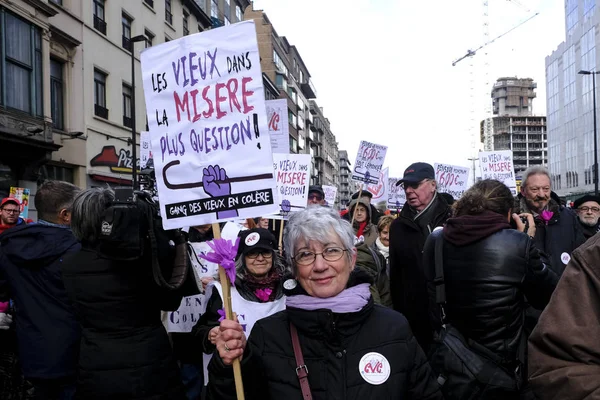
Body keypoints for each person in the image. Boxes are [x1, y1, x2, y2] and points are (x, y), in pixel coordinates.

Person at [206, 206, 443, 400]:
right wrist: (227, 369)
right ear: (294, 267)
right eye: (306, 254)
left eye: (331, 250)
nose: (320, 266)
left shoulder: (394, 329)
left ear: (351, 260)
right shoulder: (268, 336)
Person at [423, 179, 558, 399]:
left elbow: (431, 300)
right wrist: (527, 240)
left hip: (451, 363)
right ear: (508, 213)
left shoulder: (436, 240)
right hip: (500, 369)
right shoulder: (517, 243)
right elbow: (548, 295)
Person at [61, 187, 186, 400]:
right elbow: (171, 301)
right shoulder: (142, 261)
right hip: (151, 365)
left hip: (96, 363)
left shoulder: (69, 264)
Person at [0, 180, 81, 399]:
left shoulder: (10, 246)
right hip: (75, 353)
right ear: (65, 215)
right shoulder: (79, 249)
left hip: (33, 352)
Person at [193, 228, 287, 357]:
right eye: (252, 253)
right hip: (241, 368)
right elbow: (200, 331)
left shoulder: (287, 287)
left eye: (265, 252)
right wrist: (211, 334)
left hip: (282, 367)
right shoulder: (225, 291)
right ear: (242, 258)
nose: (260, 258)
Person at [528, 233, 600, 399]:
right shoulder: (592, 255)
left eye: (594, 209)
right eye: (585, 208)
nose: (589, 212)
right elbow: (559, 364)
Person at [389, 162, 451, 351]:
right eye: (405, 186)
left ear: (433, 185)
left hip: (452, 316)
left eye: (414, 185)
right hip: (415, 320)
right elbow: (396, 278)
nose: (408, 191)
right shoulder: (398, 227)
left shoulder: (454, 219)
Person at [513, 166, 585, 276]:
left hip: (564, 287)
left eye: (546, 189)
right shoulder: (514, 220)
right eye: (535, 189)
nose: (541, 195)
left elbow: (581, 254)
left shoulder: (568, 216)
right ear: (523, 191)